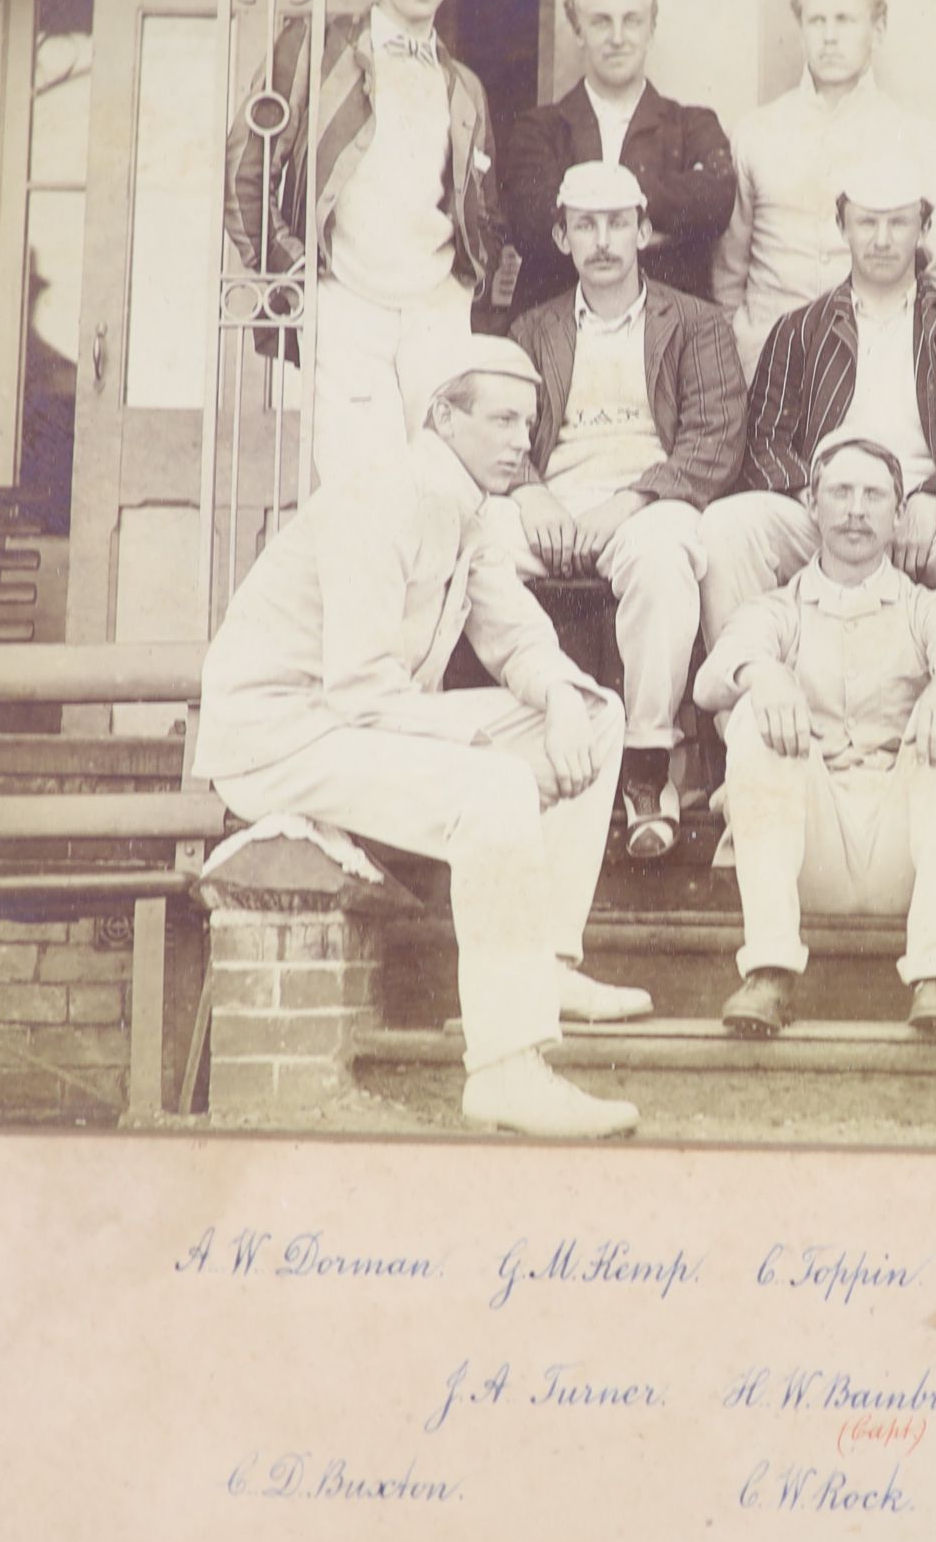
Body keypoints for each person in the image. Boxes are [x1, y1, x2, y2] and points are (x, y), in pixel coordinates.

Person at [191, 336, 653, 1141]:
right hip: (282, 737)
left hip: (353, 724)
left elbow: (518, 638)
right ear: (442, 415)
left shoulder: (468, 510)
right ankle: (507, 1071)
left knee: (594, 710)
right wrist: (481, 750)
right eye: (501, 419)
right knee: (497, 784)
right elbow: (361, 685)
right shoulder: (381, 498)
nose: (520, 441)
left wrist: (561, 698)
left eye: (529, 424)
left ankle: (547, 964)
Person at [693, 435, 936, 1041]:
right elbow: (713, 678)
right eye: (840, 492)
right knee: (758, 715)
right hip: (810, 848)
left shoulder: (925, 608)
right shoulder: (777, 609)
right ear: (812, 505)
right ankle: (769, 973)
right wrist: (764, 674)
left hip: (905, 849)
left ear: (897, 513)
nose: (856, 510)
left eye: (873, 495)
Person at [497, 161, 749, 858]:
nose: (602, 241)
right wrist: (529, 489)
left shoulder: (696, 325)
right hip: (551, 501)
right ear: (562, 235)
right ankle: (518, 742)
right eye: (585, 225)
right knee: (479, 543)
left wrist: (632, 500)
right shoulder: (533, 330)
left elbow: (714, 442)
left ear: (645, 230)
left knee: (666, 555)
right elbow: (497, 427)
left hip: (650, 499)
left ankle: (646, 764)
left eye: (616, 223)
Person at [701, 155, 936, 671]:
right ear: (842, 227)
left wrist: (931, 499)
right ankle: (748, 708)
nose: (882, 239)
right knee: (725, 527)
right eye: (867, 222)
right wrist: (817, 499)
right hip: (821, 503)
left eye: (899, 222)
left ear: (923, 228)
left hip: (930, 509)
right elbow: (764, 441)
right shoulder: (799, 329)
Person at [222, 0, 508, 483]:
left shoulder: (464, 88)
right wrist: (295, 274)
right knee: (361, 494)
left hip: (436, 311)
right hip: (346, 302)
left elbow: (483, 213)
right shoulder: (316, 53)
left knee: (440, 493)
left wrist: (467, 293)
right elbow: (247, 170)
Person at [711, 0, 936, 375]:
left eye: (845, 20)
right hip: (765, 366)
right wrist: (738, 353)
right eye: (816, 21)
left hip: (877, 372)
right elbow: (730, 267)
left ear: (877, 30)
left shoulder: (918, 140)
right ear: (800, 30)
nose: (829, 37)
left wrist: (919, 364)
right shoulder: (756, 133)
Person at [497, 0, 737, 311]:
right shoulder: (539, 129)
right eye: (600, 22)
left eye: (633, 21)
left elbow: (714, 205)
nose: (618, 37)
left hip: (670, 335)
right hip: (562, 333)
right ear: (578, 31)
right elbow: (532, 225)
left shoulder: (693, 125)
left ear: (650, 30)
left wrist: (583, 219)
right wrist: (651, 226)